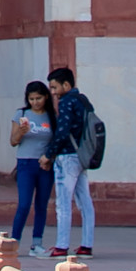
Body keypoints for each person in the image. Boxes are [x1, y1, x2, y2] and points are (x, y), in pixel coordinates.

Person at [44, 64, 96, 259]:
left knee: (63, 203)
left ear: (66, 85)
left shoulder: (66, 102)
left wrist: (49, 154)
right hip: (82, 156)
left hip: (67, 157)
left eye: (55, 87)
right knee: (85, 201)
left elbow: (62, 131)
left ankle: (61, 246)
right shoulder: (83, 100)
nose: (53, 92)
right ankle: (86, 245)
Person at [5, 81, 53, 247]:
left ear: (45, 97)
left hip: (45, 164)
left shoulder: (51, 116)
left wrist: (50, 158)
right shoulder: (22, 113)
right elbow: (13, 141)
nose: (35, 102)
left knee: (41, 205)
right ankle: (15, 240)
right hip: (25, 163)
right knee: (24, 204)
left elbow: (55, 141)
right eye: (32, 99)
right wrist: (21, 132)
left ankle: (37, 243)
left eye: (38, 98)